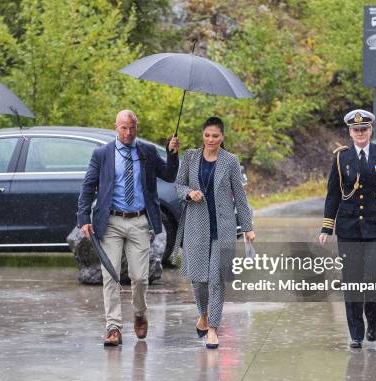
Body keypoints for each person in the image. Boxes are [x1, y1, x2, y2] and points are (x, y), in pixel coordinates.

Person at [77, 110, 179, 347]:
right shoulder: (102, 154)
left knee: (140, 277)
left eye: (132, 128)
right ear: (116, 127)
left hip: (139, 221)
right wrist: (83, 217)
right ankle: (113, 327)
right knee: (110, 276)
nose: (128, 132)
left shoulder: (147, 152)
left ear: (137, 128)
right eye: (124, 128)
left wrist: (173, 153)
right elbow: (88, 185)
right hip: (110, 222)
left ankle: (140, 313)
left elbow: (169, 175)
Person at [318, 109, 376, 349]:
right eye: (355, 130)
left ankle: (373, 321)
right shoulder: (341, 157)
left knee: (373, 277)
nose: (360, 133)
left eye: (364, 129)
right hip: (349, 227)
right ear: (349, 132)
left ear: (371, 130)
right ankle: (356, 332)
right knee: (353, 280)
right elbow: (333, 193)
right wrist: (327, 227)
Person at [173, 116, 254, 349]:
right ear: (202, 135)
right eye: (207, 135)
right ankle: (204, 314)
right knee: (199, 280)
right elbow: (178, 186)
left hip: (223, 228)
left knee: (216, 280)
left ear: (222, 137)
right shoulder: (189, 157)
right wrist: (190, 193)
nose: (210, 139)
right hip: (196, 227)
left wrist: (248, 228)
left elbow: (240, 196)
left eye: (215, 136)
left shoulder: (230, 161)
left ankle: (213, 329)